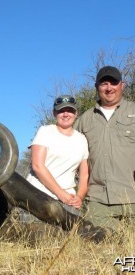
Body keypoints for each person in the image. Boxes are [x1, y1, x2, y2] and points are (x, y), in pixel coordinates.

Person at [74, 65, 135, 230]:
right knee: (101, 242)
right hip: (97, 201)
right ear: (96, 87)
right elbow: (69, 157)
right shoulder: (84, 120)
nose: (109, 88)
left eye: (113, 82)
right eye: (104, 83)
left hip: (132, 196)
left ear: (122, 85)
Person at [26, 95, 89, 215]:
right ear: (54, 113)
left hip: (69, 199)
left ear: (76, 113)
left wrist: (79, 197)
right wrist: (60, 194)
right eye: (61, 111)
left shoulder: (81, 139)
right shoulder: (45, 131)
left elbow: (84, 175)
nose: (66, 114)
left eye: (70, 110)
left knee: (73, 232)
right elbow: (37, 166)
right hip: (38, 195)